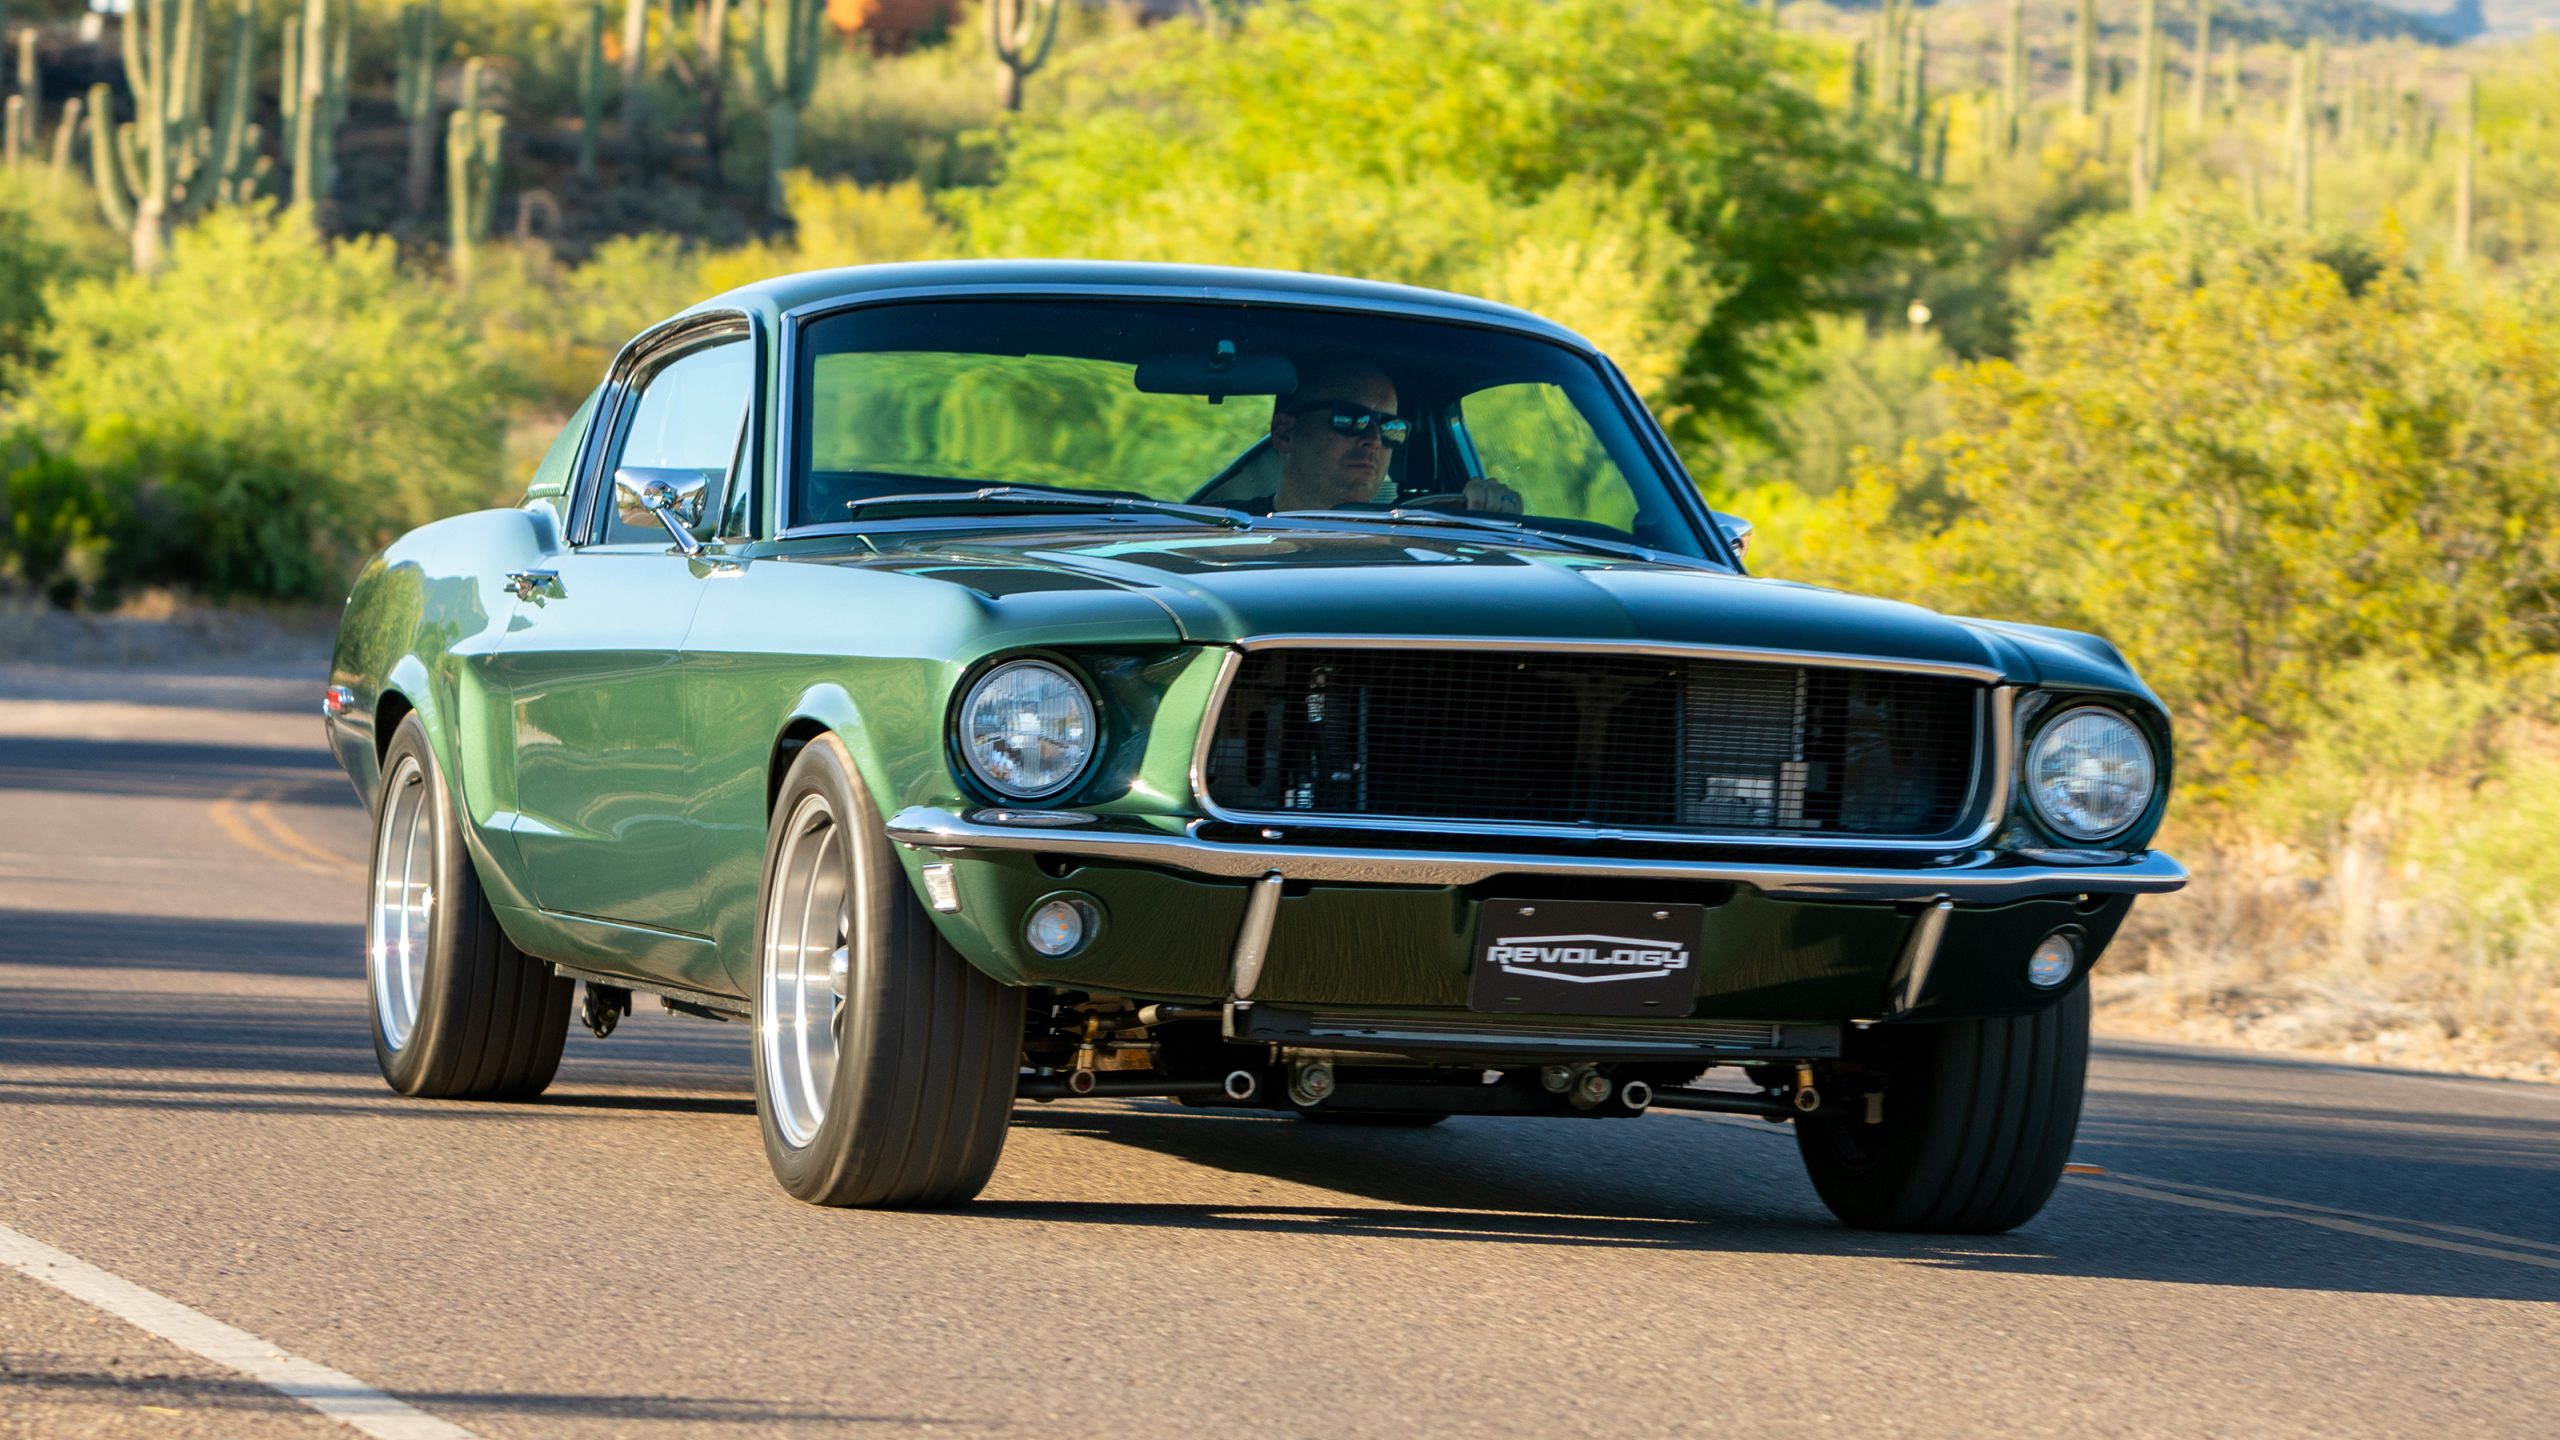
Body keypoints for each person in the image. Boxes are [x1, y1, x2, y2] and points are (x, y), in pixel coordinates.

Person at [1266, 360, 1520, 514]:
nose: (1375, 439)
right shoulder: (1229, 538)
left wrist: (1492, 511)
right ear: (1285, 433)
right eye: (1352, 419)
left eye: (1390, 426)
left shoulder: (1426, 541)